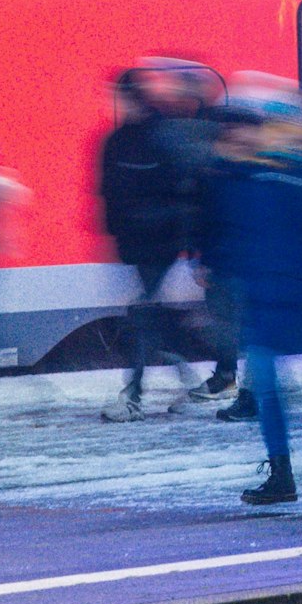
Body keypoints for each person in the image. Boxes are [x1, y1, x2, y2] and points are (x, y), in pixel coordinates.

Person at [206, 74, 302, 505]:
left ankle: (282, 470)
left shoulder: (296, 179)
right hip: (269, 299)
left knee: (271, 388)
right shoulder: (261, 178)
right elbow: (239, 236)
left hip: (287, 297)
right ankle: (281, 471)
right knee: (269, 388)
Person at [96, 62, 209, 421]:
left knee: (142, 314)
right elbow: (107, 194)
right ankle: (188, 379)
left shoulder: (148, 139)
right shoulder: (123, 140)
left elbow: (178, 190)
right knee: (150, 312)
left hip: (158, 241)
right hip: (140, 242)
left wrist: (186, 241)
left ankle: (134, 395)